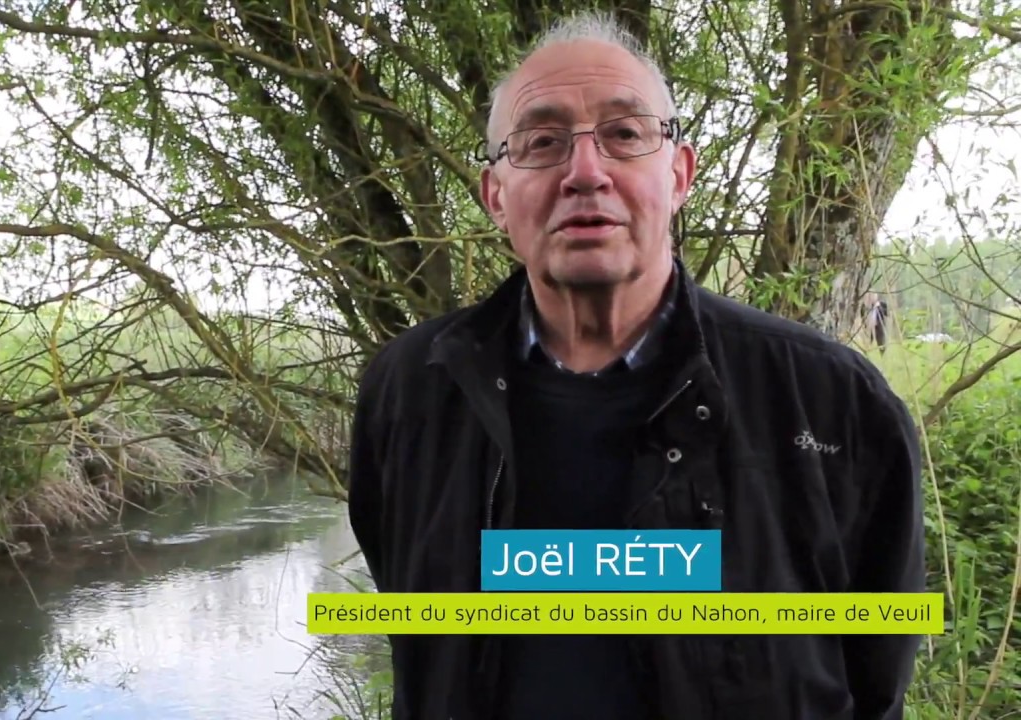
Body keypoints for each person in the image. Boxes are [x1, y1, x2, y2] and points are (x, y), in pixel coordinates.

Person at [346, 9, 926, 720]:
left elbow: (878, 676)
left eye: (624, 135)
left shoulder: (831, 403)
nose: (585, 173)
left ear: (679, 174)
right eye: (542, 142)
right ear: (495, 193)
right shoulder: (411, 389)